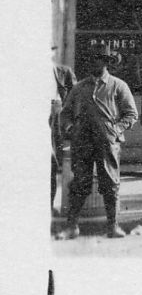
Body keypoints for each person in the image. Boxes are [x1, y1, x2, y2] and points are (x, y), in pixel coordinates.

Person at [58, 46, 139, 238]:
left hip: (107, 143)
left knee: (110, 183)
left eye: (98, 59)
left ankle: (113, 226)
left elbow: (131, 114)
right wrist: (70, 129)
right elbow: (65, 113)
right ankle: (71, 227)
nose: (94, 62)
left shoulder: (118, 86)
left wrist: (115, 130)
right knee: (79, 183)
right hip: (82, 142)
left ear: (107, 62)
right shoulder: (79, 88)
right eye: (91, 59)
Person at [51, 55, 76, 213]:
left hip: (55, 124)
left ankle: (49, 205)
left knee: (52, 164)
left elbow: (76, 98)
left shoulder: (63, 72)